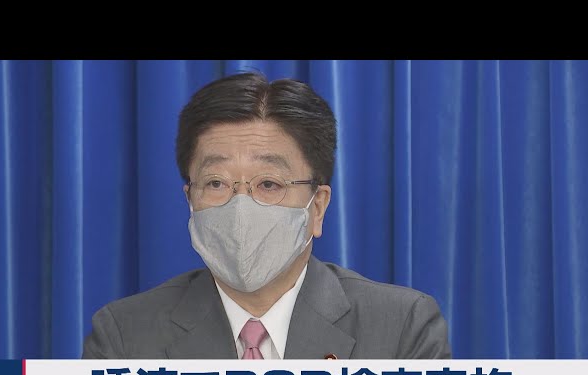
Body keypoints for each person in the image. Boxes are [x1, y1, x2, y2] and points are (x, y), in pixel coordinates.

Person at [82, 72, 452, 360]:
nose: (240, 208)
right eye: (216, 183)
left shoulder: (402, 329)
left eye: (269, 184)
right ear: (190, 201)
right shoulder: (124, 336)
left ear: (317, 207)